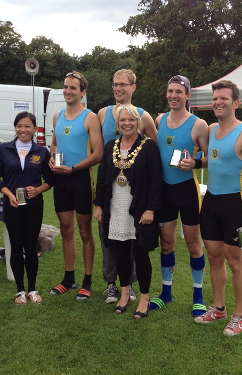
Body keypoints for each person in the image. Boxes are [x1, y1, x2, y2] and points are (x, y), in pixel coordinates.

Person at [194, 80, 242, 336]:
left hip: (236, 203)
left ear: (236, 103)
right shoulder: (212, 130)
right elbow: (212, 161)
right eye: (215, 98)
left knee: (235, 261)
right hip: (211, 202)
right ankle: (218, 308)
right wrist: (192, 163)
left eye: (224, 98)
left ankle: (239, 315)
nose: (218, 102)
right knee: (213, 256)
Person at [94, 105, 162, 319]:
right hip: (115, 207)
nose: (127, 123)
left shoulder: (148, 146)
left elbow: (155, 180)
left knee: (140, 253)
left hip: (139, 208)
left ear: (138, 122)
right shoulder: (110, 146)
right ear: (117, 123)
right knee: (120, 252)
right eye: (123, 120)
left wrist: (150, 209)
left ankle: (144, 297)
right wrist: (98, 205)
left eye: (131, 120)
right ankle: (124, 294)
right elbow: (103, 176)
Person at [150, 75, 210, 317]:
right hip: (164, 191)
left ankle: (198, 296)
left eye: (178, 91)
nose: (173, 95)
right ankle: (166, 293)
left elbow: (210, 158)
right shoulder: (159, 120)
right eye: (170, 91)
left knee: (194, 244)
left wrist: (194, 162)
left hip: (186, 190)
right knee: (166, 244)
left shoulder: (198, 124)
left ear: (188, 96)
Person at [0, 111, 54, 304]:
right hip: (12, 206)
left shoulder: (41, 152)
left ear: (34, 129)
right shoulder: (3, 149)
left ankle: (33, 289)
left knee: (31, 247)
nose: (23, 130)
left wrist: (38, 190)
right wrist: (9, 194)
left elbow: (50, 180)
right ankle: (20, 291)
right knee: (16, 247)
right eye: (19, 126)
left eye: (27, 126)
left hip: (34, 206)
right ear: (15, 127)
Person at [49, 71, 103, 301]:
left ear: (83, 92)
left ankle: (87, 281)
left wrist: (73, 169)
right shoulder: (56, 116)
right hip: (61, 180)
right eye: (65, 87)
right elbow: (54, 143)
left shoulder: (90, 117)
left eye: (73, 88)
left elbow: (99, 153)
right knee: (65, 230)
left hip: (80, 179)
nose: (68, 91)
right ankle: (69, 277)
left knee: (84, 231)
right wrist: (52, 158)